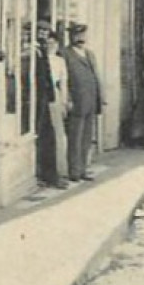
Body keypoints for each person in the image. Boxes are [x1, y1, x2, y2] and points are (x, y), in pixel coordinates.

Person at [62, 23, 102, 182]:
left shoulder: (90, 54)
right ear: (71, 37)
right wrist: (68, 99)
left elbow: (95, 76)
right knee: (75, 137)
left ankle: (84, 168)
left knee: (86, 137)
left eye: (83, 35)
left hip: (91, 100)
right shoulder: (65, 54)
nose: (80, 38)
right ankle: (74, 171)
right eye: (77, 35)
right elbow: (63, 79)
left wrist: (100, 97)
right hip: (76, 101)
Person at [34, 20, 70, 188]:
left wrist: (63, 101)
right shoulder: (35, 52)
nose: (45, 39)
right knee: (43, 135)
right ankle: (45, 174)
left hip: (50, 96)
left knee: (53, 135)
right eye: (40, 33)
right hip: (37, 98)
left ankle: (55, 174)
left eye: (47, 35)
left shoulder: (56, 59)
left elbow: (62, 82)